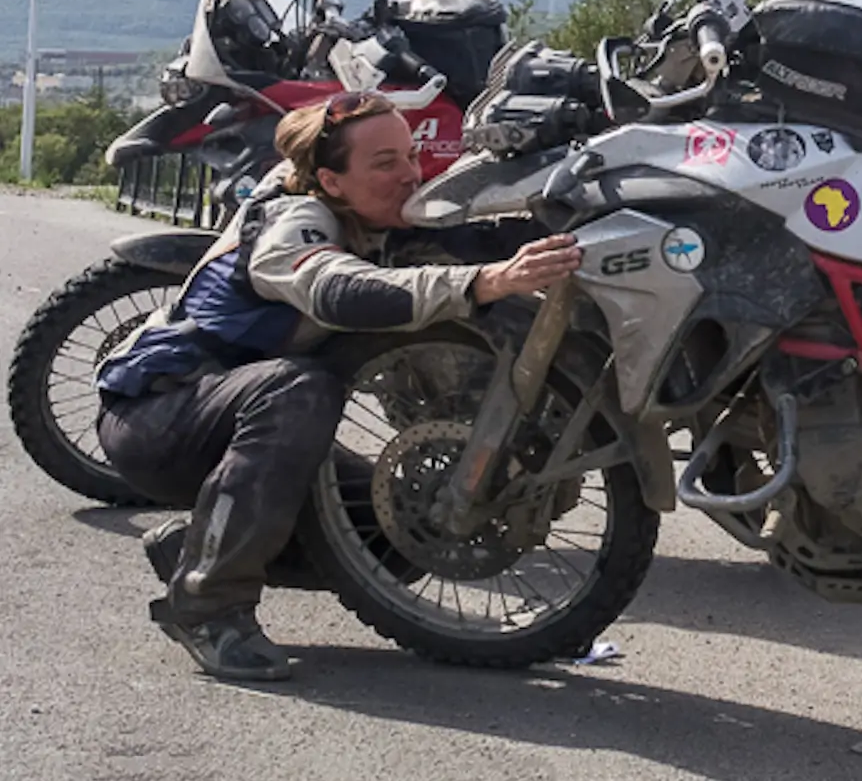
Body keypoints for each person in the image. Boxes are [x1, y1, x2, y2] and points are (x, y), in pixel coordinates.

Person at [94, 91, 583, 682]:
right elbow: (337, 291)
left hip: (241, 417)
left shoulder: (372, 212)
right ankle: (208, 607)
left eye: (411, 155)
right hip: (158, 414)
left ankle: (200, 546)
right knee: (298, 388)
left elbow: (478, 237)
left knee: (404, 534)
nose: (410, 174)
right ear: (330, 179)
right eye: (385, 163)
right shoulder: (291, 221)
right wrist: (483, 283)